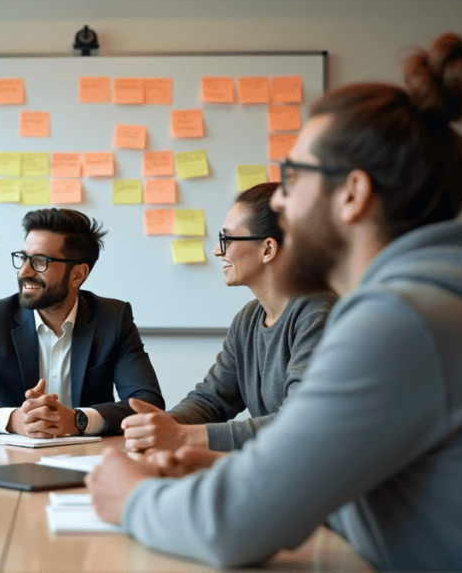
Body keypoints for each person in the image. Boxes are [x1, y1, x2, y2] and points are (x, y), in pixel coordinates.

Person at [86, 32, 462, 571]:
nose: (280, 200)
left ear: (352, 193)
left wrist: (130, 497)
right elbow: (355, 495)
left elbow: (232, 528)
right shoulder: (428, 308)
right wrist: (211, 469)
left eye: (292, 177)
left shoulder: (402, 321)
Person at [121, 182, 335, 454]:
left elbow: (297, 421)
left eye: (228, 239)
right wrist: (162, 425)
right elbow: (211, 399)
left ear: (267, 249)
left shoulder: (317, 312)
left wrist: (182, 436)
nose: (217, 251)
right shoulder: (247, 319)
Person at [0, 208, 165, 437]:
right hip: (15, 459)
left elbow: (148, 403)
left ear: (77, 275)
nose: (23, 272)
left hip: (91, 459)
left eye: (40, 261)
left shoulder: (113, 319)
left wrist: (79, 420)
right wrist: (13, 420)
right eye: (23, 258)